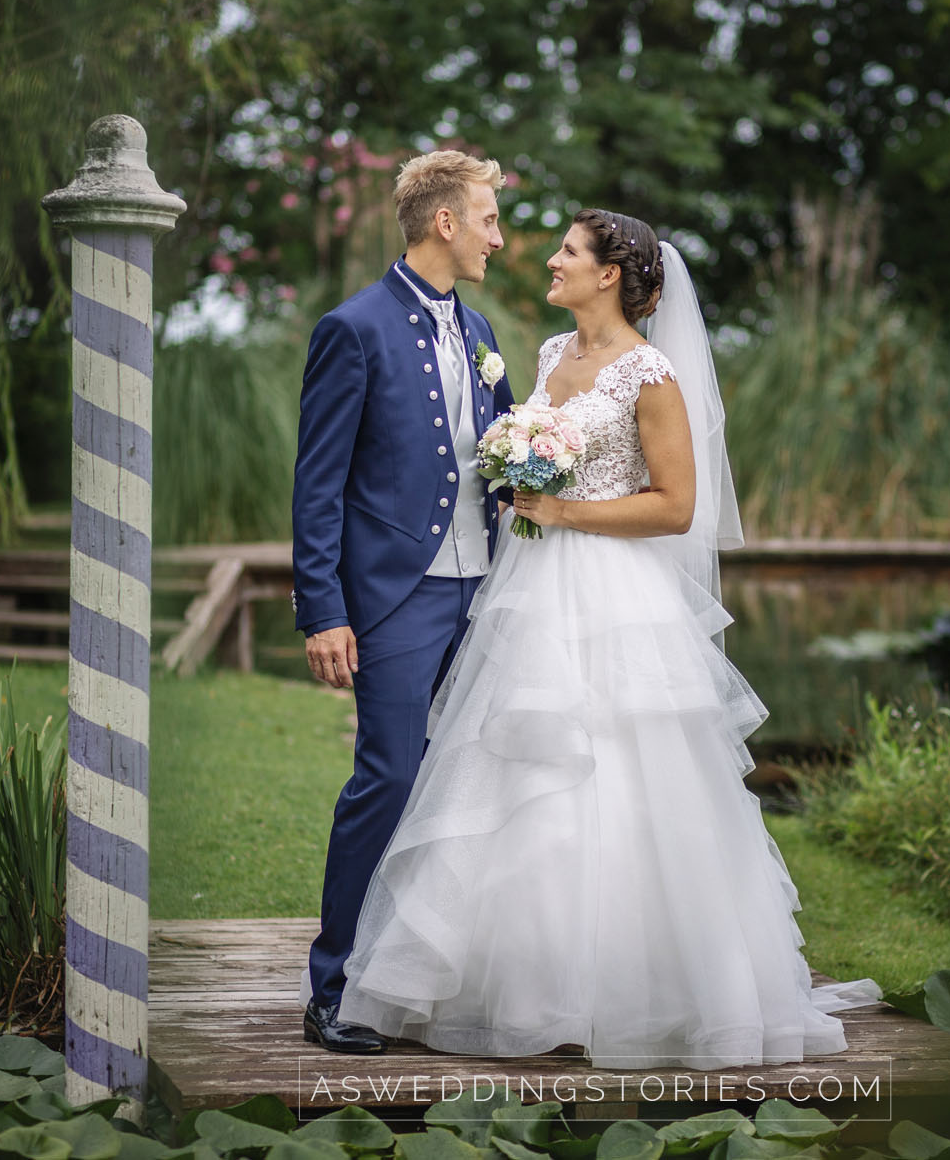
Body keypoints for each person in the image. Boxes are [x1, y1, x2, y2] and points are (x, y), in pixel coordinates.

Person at [336, 209, 883, 1069]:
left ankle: (640, 993)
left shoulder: (650, 372)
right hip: (533, 591)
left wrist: (562, 509)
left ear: (610, 275)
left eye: (568, 251)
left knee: (627, 778)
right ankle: (519, 987)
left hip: (617, 598)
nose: (548, 259)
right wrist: (519, 472)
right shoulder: (553, 355)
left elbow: (675, 505)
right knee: (520, 779)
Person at [290, 150, 519, 1054]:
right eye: (490, 219)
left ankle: (431, 976)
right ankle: (335, 985)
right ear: (445, 223)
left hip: (487, 592)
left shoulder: (481, 327)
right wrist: (323, 608)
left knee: (471, 783)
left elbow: (496, 452)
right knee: (389, 776)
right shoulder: (352, 329)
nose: (500, 237)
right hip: (394, 598)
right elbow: (318, 485)